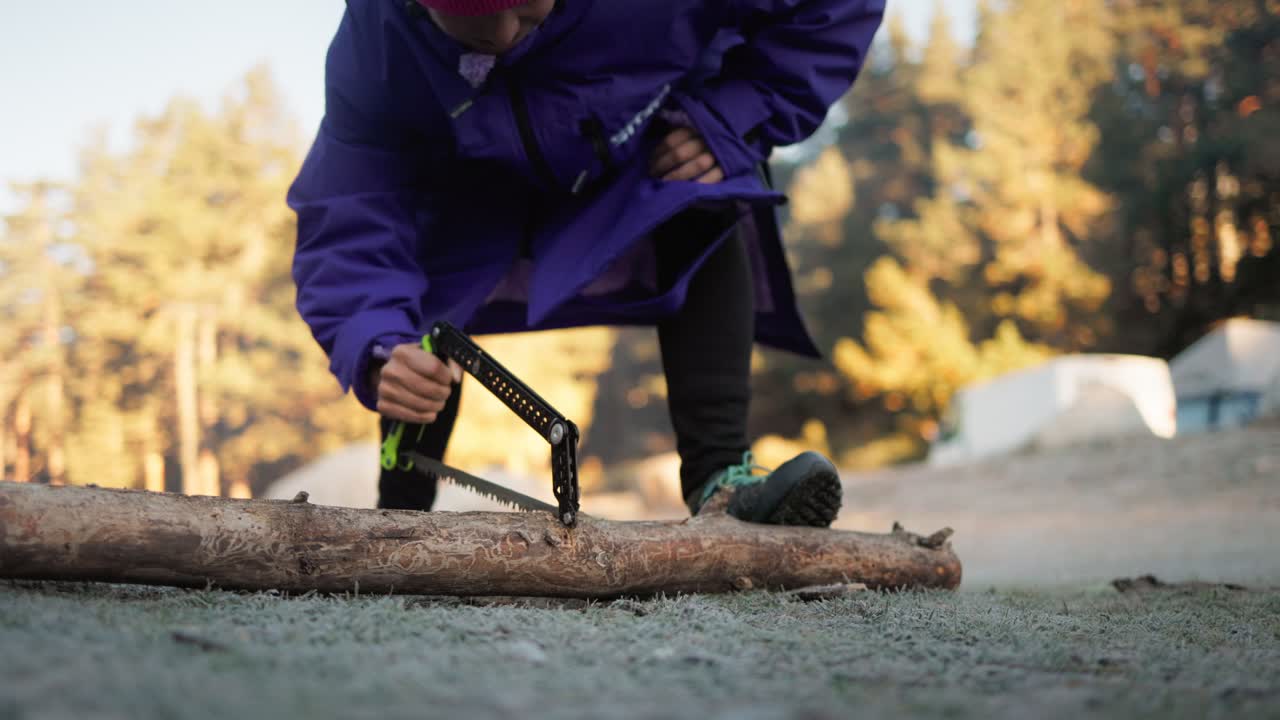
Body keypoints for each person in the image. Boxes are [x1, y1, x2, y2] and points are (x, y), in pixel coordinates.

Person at [288, 0, 885, 526]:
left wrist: (734, 117)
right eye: (470, 17)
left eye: (524, 7)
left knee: (706, 189)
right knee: (407, 324)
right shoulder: (376, 34)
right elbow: (350, 207)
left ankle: (721, 479)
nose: (501, 33)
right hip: (471, 197)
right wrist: (375, 346)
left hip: (635, 155)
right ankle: (399, 513)